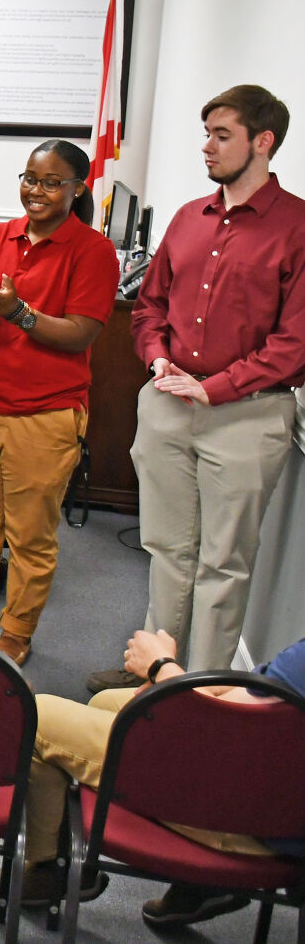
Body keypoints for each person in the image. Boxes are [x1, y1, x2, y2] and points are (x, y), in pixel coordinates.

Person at [89, 85, 303, 688]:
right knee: (166, 549)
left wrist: (218, 387)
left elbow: (296, 343)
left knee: (223, 564)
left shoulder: (297, 228)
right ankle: (154, 673)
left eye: (222, 135)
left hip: (248, 415)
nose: (206, 146)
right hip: (167, 402)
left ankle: (201, 692)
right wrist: (157, 360)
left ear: (263, 142)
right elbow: (150, 306)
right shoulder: (189, 217)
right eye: (206, 133)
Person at [0, 141, 118, 666]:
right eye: (30, 178)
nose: (36, 190)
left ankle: (18, 629)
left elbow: (79, 334)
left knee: (30, 536)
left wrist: (17, 312)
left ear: (78, 188)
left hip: (45, 415)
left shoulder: (93, 252)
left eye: (52, 182)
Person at [18, 628, 305, 921]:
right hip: (268, 787)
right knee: (109, 702)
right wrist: (172, 683)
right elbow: (263, 692)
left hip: (252, 820)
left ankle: (52, 870)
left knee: (35, 717)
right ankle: (202, 886)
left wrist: (161, 665)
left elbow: (217, 726)